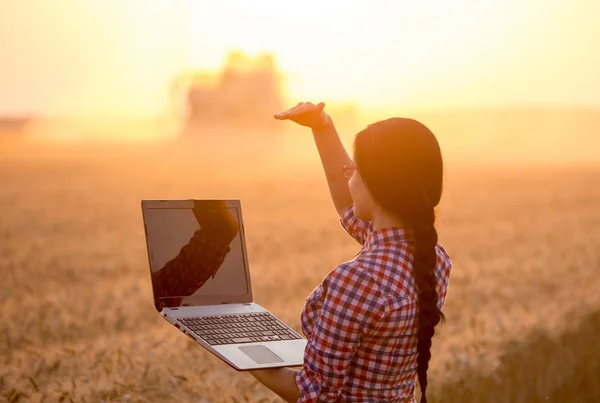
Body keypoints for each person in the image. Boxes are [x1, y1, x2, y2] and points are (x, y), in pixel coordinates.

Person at [249, 102, 453, 403]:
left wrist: (245, 354)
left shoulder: (357, 280)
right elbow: (352, 204)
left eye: (355, 170)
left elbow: (315, 394)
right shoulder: (434, 259)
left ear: (376, 185)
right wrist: (323, 127)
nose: (349, 178)